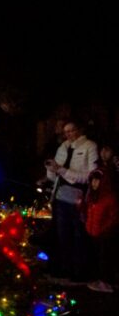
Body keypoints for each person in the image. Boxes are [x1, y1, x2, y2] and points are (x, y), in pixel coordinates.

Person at [46, 121, 99, 284]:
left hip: (78, 196)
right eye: (65, 132)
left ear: (79, 130)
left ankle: (79, 271)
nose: (68, 134)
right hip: (61, 194)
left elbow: (89, 176)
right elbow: (54, 173)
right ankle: (65, 268)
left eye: (71, 131)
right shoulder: (63, 147)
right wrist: (50, 170)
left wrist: (62, 170)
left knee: (78, 235)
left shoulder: (89, 146)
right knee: (63, 234)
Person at [82, 162, 118, 293]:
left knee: (105, 258)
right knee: (98, 258)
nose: (94, 183)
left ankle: (106, 282)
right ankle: (100, 279)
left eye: (97, 181)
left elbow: (113, 217)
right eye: (93, 180)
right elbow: (89, 213)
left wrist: (104, 229)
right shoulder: (93, 196)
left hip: (105, 234)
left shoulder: (109, 198)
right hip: (94, 232)